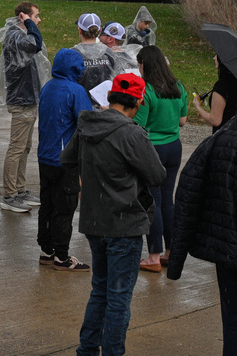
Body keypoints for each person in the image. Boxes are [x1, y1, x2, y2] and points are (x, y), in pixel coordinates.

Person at [60, 73, 166, 356]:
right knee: (118, 298)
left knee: (100, 291)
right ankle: (113, 352)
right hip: (125, 224)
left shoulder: (87, 125)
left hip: (94, 221)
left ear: (110, 96)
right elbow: (157, 175)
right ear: (139, 101)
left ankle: (87, 349)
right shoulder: (132, 133)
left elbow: (66, 159)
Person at [168, 113, 237, 356]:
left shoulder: (220, 140)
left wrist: (176, 259)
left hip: (228, 250)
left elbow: (188, 192)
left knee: (233, 324)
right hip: (229, 249)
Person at [36, 49, 93, 271]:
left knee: (47, 204)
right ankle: (62, 255)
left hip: (45, 157)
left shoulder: (48, 87)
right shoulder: (75, 90)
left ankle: (47, 249)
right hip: (65, 160)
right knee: (65, 206)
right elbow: (86, 122)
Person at [133, 45, 187, 273]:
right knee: (167, 200)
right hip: (174, 147)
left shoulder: (147, 90)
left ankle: (153, 256)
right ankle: (170, 251)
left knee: (152, 202)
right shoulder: (179, 86)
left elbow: (139, 125)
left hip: (153, 148)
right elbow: (183, 121)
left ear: (145, 64)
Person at [0, 1, 45, 212]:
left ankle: (20, 188)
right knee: (16, 147)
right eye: (36, 16)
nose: (39, 20)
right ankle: (9, 195)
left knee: (24, 147)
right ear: (24, 17)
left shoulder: (19, 35)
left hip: (28, 99)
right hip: (21, 100)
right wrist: (30, 25)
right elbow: (36, 44)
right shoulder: (16, 37)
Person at [74, 13, 117, 106]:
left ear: (79, 29)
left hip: (79, 108)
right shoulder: (109, 53)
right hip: (104, 108)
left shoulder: (72, 54)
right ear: (100, 30)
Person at [193, 54, 237, 133]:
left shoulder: (222, 85)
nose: (214, 58)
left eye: (217, 56)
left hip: (224, 137)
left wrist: (198, 107)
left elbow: (215, 120)